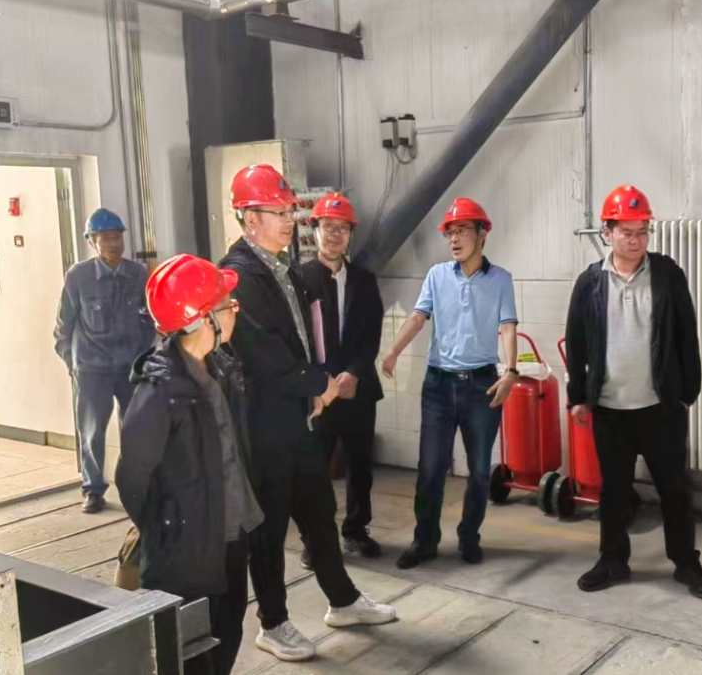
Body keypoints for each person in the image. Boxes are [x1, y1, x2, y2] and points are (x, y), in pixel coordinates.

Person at [220, 164, 395, 663]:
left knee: (320, 513)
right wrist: (319, 385)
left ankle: (342, 601)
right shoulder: (239, 275)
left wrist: (315, 387)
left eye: (289, 213)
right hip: (263, 424)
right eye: (279, 213)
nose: (289, 222)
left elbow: (304, 340)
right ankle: (273, 623)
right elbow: (264, 353)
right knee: (269, 527)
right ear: (249, 217)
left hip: (297, 418)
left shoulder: (283, 268)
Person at [564, 184, 702, 601]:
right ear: (607, 233)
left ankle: (686, 563)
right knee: (614, 491)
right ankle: (612, 560)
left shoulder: (667, 275)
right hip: (610, 409)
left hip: (660, 407)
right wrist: (577, 396)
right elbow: (576, 342)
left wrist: (687, 393)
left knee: (674, 489)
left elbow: (687, 335)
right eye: (627, 232)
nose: (636, 240)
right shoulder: (590, 283)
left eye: (643, 231)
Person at [117, 253, 261, 675]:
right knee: (193, 654)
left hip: (232, 534)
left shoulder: (220, 367)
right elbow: (131, 479)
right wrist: (170, 527)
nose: (234, 311)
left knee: (228, 630)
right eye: (227, 305)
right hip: (189, 553)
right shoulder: (158, 393)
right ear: (204, 320)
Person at [382, 197, 518, 570]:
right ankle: (424, 541)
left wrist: (510, 371)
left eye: (462, 231)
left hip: (482, 386)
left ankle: (469, 537)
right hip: (438, 387)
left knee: (479, 471)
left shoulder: (501, 280)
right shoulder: (437, 275)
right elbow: (417, 317)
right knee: (430, 469)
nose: (454, 239)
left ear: (482, 234)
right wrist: (392, 351)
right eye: (450, 233)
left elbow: (507, 326)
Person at [297, 192, 385, 566]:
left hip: (357, 391)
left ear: (351, 234)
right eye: (328, 226)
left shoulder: (365, 281)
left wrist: (355, 373)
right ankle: (314, 539)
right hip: (317, 393)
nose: (335, 234)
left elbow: (371, 334)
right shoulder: (299, 280)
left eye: (343, 228)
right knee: (314, 470)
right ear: (314, 230)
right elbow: (298, 338)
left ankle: (356, 531)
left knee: (359, 466)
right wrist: (321, 382)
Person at [54, 208, 156, 514]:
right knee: (91, 431)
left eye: (117, 237)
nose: (113, 243)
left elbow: (148, 318)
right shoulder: (79, 277)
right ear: (92, 242)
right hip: (92, 369)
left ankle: (138, 485)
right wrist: (71, 362)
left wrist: (143, 356)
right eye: (106, 238)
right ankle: (93, 489)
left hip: (129, 368)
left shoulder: (137, 274)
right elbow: (64, 326)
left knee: (136, 428)